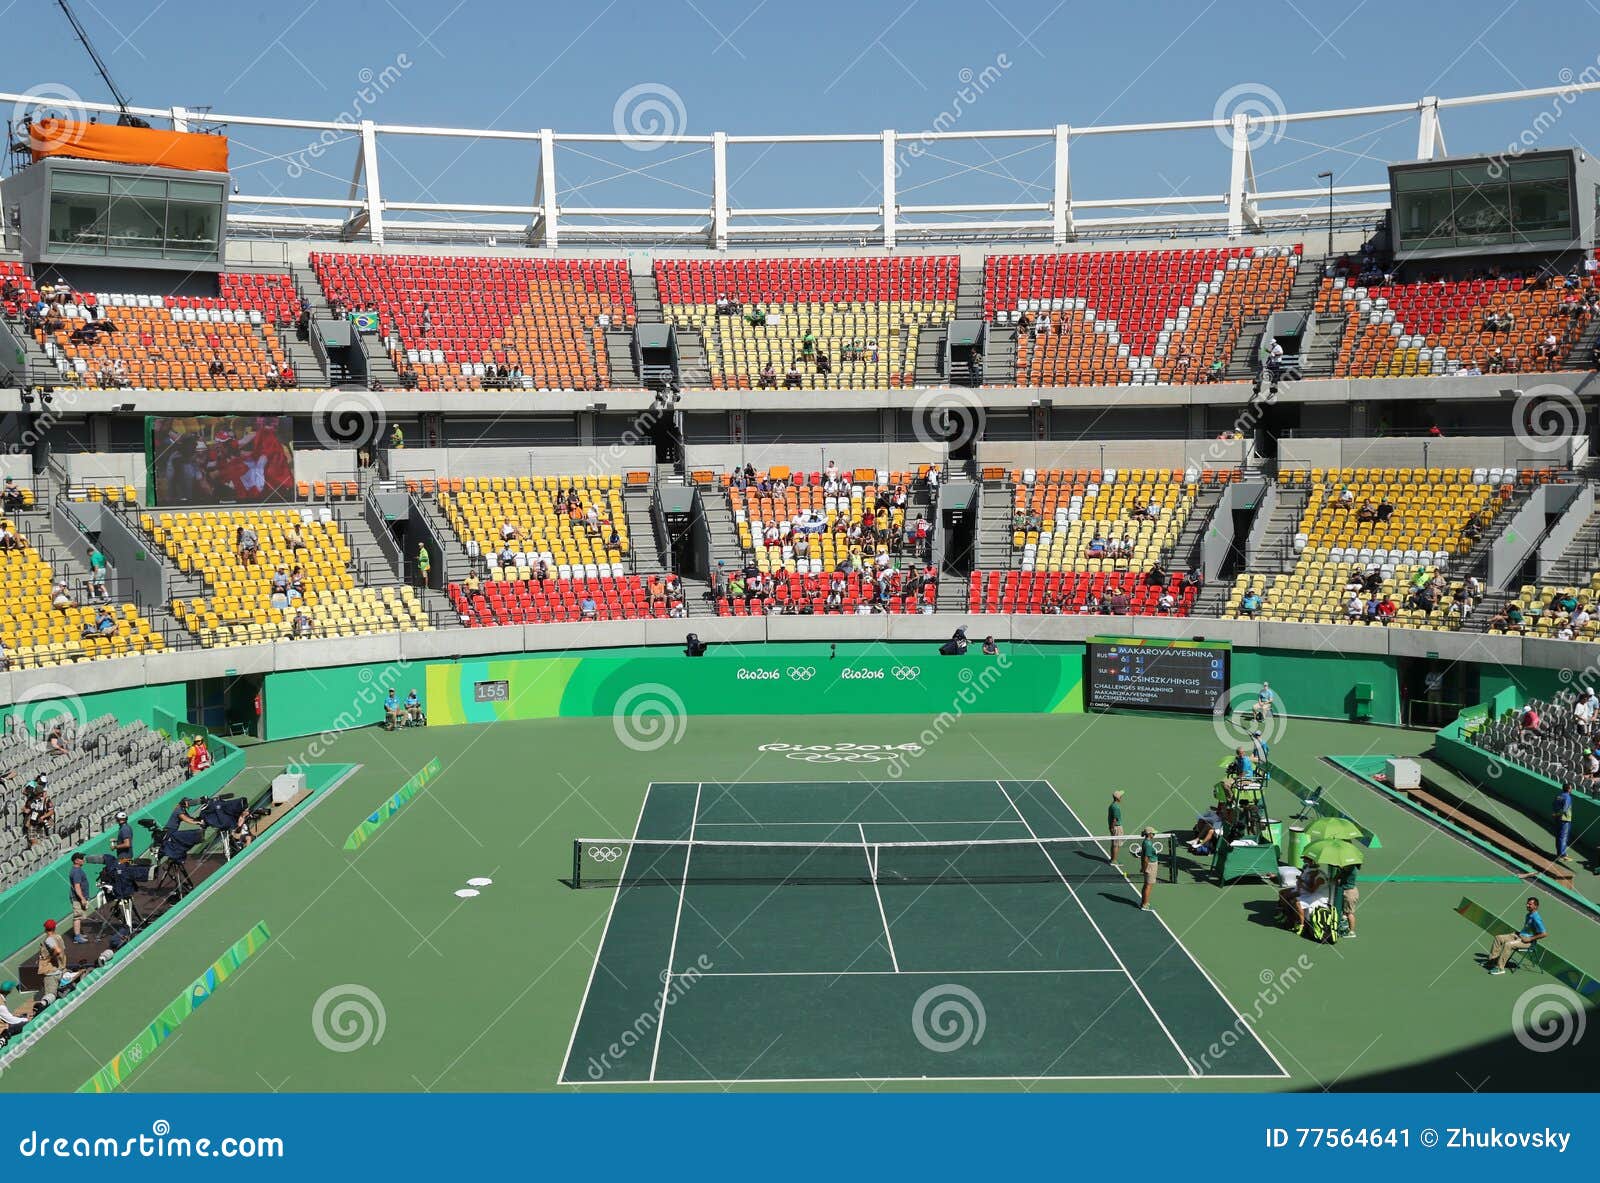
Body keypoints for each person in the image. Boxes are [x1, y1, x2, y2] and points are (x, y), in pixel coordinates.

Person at [1486, 897, 1546, 975]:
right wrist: (1519, 933)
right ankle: (1492, 961)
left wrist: (1530, 938)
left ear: (1536, 906)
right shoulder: (1528, 915)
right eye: (1527, 904)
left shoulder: (1536, 918)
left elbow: (1544, 934)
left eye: (1530, 904)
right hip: (1519, 936)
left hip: (1528, 942)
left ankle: (1500, 968)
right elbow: (1528, 929)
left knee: (1508, 945)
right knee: (1498, 938)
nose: (1527, 905)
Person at [36, 918, 66, 1001]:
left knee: (50, 997)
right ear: (54, 927)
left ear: (45, 928)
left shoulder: (49, 939)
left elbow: (58, 950)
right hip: (60, 970)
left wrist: (49, 958)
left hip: (51, 973)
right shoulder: (58, 937)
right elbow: (62, 951)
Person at [68, 852, 91, 944]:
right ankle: (77, 937)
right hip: (77, 898)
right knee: (77, 917)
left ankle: (78, 934)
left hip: (79, 897)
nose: (83, 859)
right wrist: (82, 898)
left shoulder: (77, 870)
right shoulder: (76, 872)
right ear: (76, 861)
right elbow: (77, 886)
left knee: (80, 915)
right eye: (81, 858)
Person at [1138, 827, 1159, 911]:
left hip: (1148, 866)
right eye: (1153, 833)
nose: (1154, 834)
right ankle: (1145, 905)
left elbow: (1144, 857)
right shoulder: (1148, 844)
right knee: (1148, 885)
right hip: (1151, 866)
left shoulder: (1146, 842)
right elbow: (1146, 858)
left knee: (1146, 884)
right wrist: (1144, 868)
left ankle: (1143, 902)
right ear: (1149, 834)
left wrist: (1143, 867)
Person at [1553, 782, 1574, 863]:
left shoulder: (1558, 796)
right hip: (1565, 819)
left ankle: (1559, 854)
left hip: (1557, 819)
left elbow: (1554, 805)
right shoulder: (1568, 797)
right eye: (1571, 788)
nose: (1571, 789)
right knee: (1563, 837)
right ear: (1568, 789)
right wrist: (1559, 814)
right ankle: (1563, 855)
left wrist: (1555, 814)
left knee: (1558, 836)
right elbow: (1565, 809)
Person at [1107, 790, 1125, 863]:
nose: (1122, 797)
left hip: (1114, 827)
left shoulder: (1112, 805)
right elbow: (1114, 820)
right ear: (1118, 798)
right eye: (1121, 796)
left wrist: (1111, 827)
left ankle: (1112, 859)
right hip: (1117, 828)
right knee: (1116, 845)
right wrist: (1112, 828)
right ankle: (1114, 860)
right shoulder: (1116, 807)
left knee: (1114, 843)